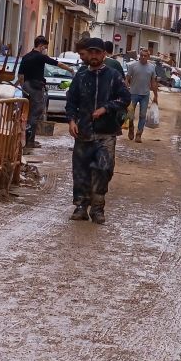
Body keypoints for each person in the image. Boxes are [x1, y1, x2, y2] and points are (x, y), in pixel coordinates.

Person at [67, 37, 130, 222]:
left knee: (104, 168)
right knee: (81, 170)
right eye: (91, 52)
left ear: (104, 54)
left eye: (98, 52)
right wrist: (71, 121)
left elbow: (125, 98)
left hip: (106, 132)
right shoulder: (80, 76)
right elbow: (71, 102)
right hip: (83, 132)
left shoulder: (113, 76)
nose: (94, 56)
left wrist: (106, 108)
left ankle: (97, 208)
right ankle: (81, 206)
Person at [17, 34, 54, 149]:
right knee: (35, 114)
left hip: (26, 86)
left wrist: (23, 88)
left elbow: (20, 75)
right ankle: (30, 141)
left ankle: (24, 140)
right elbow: (56, 63)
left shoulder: (26, 57)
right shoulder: (40, 57)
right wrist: (71, 70)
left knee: (26, 114)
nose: (45, 50)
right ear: (42, 46)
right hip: (36, 87)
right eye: (45, 47)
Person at [123, 49, 157, 142]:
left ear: (148, 57)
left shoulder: (152, 67)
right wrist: (125, 90)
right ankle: (131, 128)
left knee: (142, 115)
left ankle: (139, 134)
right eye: (141, 55)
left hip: (145, 95)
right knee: (130, 115)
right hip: (132, 94)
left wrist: (155, 96)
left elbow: (153, 82)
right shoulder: (133, 66)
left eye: (145, 56)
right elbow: (127, 79)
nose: (143, 57)